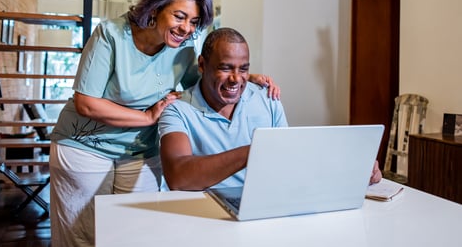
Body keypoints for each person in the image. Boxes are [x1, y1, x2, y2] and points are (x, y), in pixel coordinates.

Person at [48, 0, 279, 247]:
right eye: (179, 17)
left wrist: (242, 76)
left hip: (141, 152)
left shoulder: (182, 49)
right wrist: (147, 116)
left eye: (193, 21)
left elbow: (204, 82)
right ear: (155, 9)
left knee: (134, 236)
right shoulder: (110, 34)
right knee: (81, 237)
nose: (187, 28)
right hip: (84, 146)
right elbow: (86, 103)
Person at [159, 27, 382, 191]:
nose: (236, 79)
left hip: (262, 202)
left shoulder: (267, 99)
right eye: (225, 68)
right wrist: (254, 150)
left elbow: (288, 161)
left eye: (244, 69)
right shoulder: (177, 110)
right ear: (202, 65)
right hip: (200, 210)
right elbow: (179, 176)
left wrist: (350, 169)